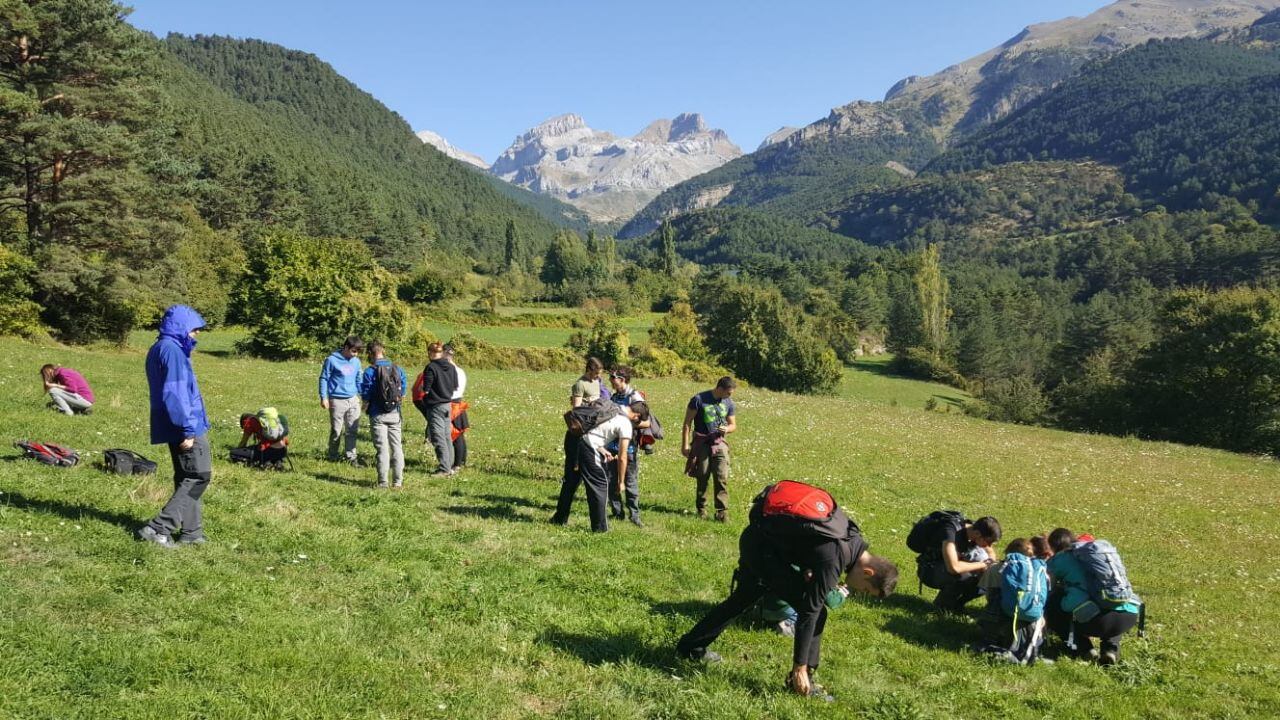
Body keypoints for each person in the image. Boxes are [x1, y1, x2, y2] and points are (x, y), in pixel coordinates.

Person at [676, 481, 898, 700]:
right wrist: (800, 665)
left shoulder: (852, 536)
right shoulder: (837, 558)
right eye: (866, 590)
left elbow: (810, 542)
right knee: (816, 612)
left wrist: (809, 567)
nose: (859, 592)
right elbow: (809, 612)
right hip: (762, 551)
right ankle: (801, 679)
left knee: (742, 600)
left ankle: (690, 647)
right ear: (868, 572)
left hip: (759, 541)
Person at [137, 305, 212, 548]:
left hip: (175, 422)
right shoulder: (172, 351)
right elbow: (176, 394)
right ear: (181, 326)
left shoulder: (162, 347)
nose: (197, 334)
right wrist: (187, 430)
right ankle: (158, 528)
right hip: (185, 423)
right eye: (194, 329)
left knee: (185, 478)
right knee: (198, 476)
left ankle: (192, 533)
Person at [1045, 528, 1141, 665]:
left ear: (1053, 547)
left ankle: (1084, 649)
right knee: (1109, 600)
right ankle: (1110, 650)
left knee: (1054, 603)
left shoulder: (1061, 558)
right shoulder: (1098, 555)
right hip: (1129, 616)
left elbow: (1046, 586)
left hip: (1097, 621)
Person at [551, 400, 650, 533]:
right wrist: (621, 482)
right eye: (637, 422)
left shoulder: (612, 406)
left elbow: (593, 429)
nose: (636, 424)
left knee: (571, 481)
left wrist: (601, 449)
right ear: (636, 416)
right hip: (586, 445)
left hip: (573, 436)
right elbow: (622, 457)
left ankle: (559, 519)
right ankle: (600, 529)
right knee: (600, 485)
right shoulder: (625, 423)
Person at [975, 538, 1048, 664]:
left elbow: (988, 596)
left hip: (1002, 617)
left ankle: (993, 640)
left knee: (996, 599)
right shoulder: (1041, 571)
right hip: (1033, 624)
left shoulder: (996, 569)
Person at [910, 511, 1002, 612]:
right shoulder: (950, 531)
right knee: (963, 576)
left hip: (947, 567)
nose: (988, 545)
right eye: (988, 542)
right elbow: (953, 567)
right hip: (930, 569)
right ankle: (941, 607)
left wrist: (990, 564)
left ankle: (957, 605)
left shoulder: (977, 530)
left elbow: (990, 552)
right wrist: (982, 564)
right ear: (977, 534)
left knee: (988, 577)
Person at [682, 376, 737, 521]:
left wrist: (727, 428)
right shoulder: (699, 399)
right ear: (720, 389)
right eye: (728, 393)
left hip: (719, 442)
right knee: (703, 475)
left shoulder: (729, 403)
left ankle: (722, 512)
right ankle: (702, 509)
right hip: (702, 443)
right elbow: (687, 423)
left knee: (721, 477)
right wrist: (685, 445)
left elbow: (733, 425)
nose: (730, 396)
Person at [360, 341, 407, 489]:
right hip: (394, 413)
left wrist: (365, 406)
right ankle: (398, 482)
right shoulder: (397, 369)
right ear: (383, 351)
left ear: (369, 353)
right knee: (397, 447)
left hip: (377, 413)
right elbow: (403, 391)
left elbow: (366, 393)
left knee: (382, 448)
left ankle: (383, 482)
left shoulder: (369, 372)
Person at [606, 365, 647, 527]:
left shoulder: (635, 397)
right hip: (611, 445)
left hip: (628, 446)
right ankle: (617, 513)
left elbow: (645, 421)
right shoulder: (614, 396)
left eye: (612, 378)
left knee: (630, 482)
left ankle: (634, 515)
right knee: (611, 480)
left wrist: (630, 421)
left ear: (621, 379)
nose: (610, 381)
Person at [319, 336, 364, 466]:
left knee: (352, 430)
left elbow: (358, 379)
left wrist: (362, 396)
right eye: (354, 351)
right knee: (337, 431)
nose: (356, 354)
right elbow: (324, 378)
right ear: (345, 347)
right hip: (337, 400)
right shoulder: (332, 360)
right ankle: (333, 456)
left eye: (358, 352)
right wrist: (324, 397)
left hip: (353, 399)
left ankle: (351, 457)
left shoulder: (356, 361)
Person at [562, 357, 606, 490]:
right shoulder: (580, 384)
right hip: (584, 426)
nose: (598, 376)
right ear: (589, 369)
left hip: (595, 423)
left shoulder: (596, 381)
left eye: (600, 373)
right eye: (596, 373)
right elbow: (576, 409)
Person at [419, 341, 459, 477]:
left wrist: (422, 390)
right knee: (447, 436)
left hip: (435, 405)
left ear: (430, 353)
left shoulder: (431, 367)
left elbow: (426, 389)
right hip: (448, 404)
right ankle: (450, 465)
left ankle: (444, 468)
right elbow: (455, 386)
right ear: (441, 353)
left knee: (438, 436)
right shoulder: (451, 367)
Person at [446, 344, 469, 473]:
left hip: (452, 404)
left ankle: (457, 464)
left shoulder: (451, 371)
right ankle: (462, 461)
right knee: (460, 435)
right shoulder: (460, 370)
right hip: (458, 402)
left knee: (456, 436)